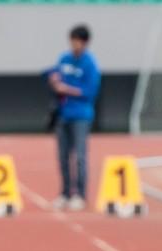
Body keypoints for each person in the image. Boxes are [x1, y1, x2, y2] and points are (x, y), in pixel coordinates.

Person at [47, 24, 100, 211]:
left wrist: (67, 89)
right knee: (62, 156)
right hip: (63, 114)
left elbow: (90, 91)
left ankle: (80, 194)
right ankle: (65, 192)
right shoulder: (64, 58)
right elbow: (54, 74)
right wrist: (53, 79)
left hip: (81, 116)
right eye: (72, 40)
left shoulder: (90, 64)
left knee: (79, 156)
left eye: (77, 41)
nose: (74, 44)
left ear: (85, 42)